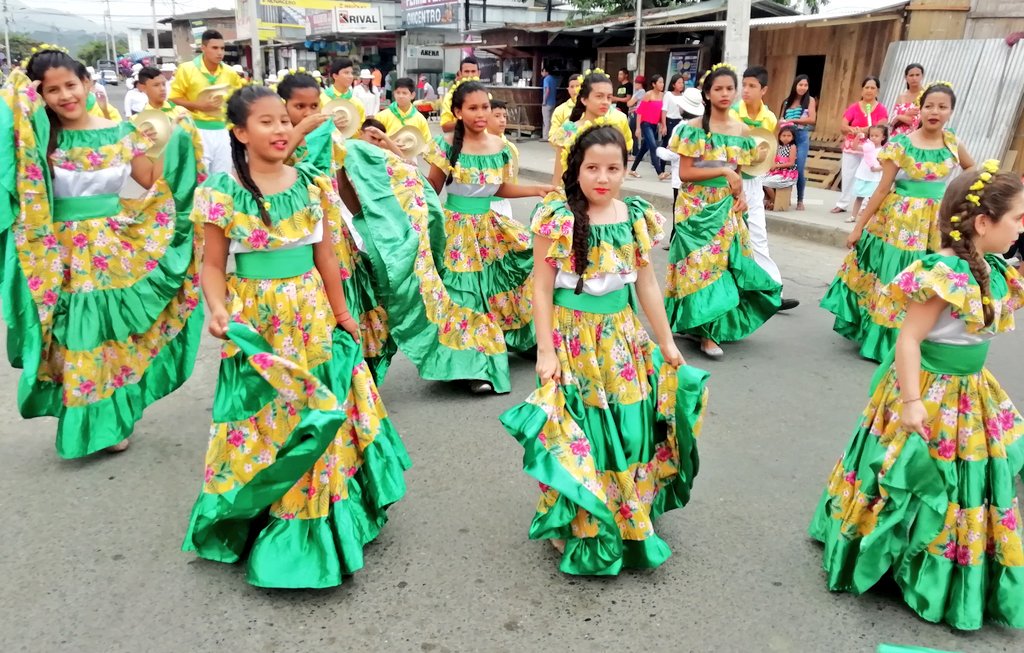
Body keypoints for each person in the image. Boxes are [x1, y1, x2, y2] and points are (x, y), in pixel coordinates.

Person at [182, 85, 410, 589]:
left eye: (284, 120)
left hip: (311, 323)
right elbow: (213, 265)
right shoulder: (220, 192)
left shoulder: (312, 186)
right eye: (266, 122)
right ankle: (255, 510)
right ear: (240, 133)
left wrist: (344, 314)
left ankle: (313, 524)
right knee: (262, 423)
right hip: (257, 327)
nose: (281, 129)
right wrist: (218, 309)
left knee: (316, 418)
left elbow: (326, 258)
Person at [809, 165, 1024, 631]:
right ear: (984, 222)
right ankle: (892, 555)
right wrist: (910, 402)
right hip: (927, 390)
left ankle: (937, 562)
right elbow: (908, 341)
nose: (1022, 227)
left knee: (961, 479)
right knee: (912, 473)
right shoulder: (943, 273)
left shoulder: (994, 268)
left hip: (971, 392)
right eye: (1018, 218)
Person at [499, 122, 709, 575]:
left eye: (613, 168)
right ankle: (575, 520)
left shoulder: (635, 215)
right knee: (579, 432)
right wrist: (545, 351)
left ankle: (627, 509)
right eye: (593, 167)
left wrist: (667, 343)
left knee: (631, 427)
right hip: (572, 339)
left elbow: (648, 282)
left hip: (622, 339)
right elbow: (540, 288)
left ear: (624, 171)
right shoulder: (557, 215)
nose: (603, 177)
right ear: (577, 169)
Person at [0, 49, 203, 458]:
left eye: (70, 85)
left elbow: (143, 185)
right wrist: (21, 99)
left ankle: (111, 419)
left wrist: (164, 140)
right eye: (51, 90)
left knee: (113, 339)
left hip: (116, 251)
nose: (64, 96)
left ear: (88, 84)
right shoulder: (36, 144)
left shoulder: (122, 133)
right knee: (78, 337)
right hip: (62, 256)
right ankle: (91, 422)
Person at [821, 82, 975, 362]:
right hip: (898, 223)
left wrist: (960, 203)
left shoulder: (953, 143)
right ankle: (887, 341)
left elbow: (971, 171)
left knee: (929, 278)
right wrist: (858, 227)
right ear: (920, 108)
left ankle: (920, 337)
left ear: (951, 111)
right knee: (897, 278)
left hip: (935, 224)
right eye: (929, 105)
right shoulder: (901, 144)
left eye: (942, 107)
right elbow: (882, 188)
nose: (935, 112)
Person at [425, 79, 554, 394]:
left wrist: (536, 189)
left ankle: (517, 339)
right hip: (456, 229)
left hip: (491, 227)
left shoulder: (503, 148)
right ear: (458, 111)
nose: (481, 113)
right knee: (466, 296)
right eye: (473, 108)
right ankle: (474, 365)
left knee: (523, 272)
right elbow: (431, 191)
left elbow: (499, 188)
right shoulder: (444, 145)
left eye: (485, 106)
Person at [277, 72, 396, 380]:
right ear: (283, 106)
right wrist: (299, 131)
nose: (307, 113)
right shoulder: (277, 138)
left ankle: (351, 367)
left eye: (313, 105)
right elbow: (269, 168)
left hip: (333, 230)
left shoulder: (329, 135)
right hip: (296, 234)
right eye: (299, 106)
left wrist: (363, 220)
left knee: (350, 292)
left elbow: (341, 180)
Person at [664, 63, 782, 359]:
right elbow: (687, 172)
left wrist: (740, 196)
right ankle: (699, 326)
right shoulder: (692, 129)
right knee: (698, 267)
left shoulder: (743, 131)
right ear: (707, 93)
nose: (726, 93)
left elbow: (739, 174)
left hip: (726, 207)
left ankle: (710, 331)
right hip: (695, 207)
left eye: (731, 88)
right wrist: (724, 172)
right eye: (719, 88)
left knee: (719, 268)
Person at [730, 65, 799, 310]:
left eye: (752, 86)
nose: (746, 91)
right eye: (744, 85)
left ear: (764, 90)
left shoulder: (769, 118)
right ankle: (729, 294)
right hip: (730, 179)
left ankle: (773, 290)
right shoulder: (732, 112)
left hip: (754, 179)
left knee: (758, 235)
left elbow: (766, 149)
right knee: (728, 239)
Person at [135, 66, 206, 220]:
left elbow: (196, 143)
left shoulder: (181, 112)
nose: (162, 89)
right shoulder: (138, 121)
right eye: (155, 85)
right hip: (161, 179)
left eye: (163, 84)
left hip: (186, 176)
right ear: (142, 87)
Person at [169, 29, 244, 175]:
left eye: (222, 48)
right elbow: (174, 98)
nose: (220, 52)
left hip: (222, 130)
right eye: (214, 48)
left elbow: (238, 98)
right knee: (200, 177)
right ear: (203, 48)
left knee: (223, 177)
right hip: (197, 129)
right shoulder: (186, 69)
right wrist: (199, 106)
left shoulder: (230, 72)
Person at [548, 70, 633, 186]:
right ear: (584, 99)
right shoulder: (568, 130)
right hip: (572, 197)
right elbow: (558, 175)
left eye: (609, 97)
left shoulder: (614, 130)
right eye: (599, 96)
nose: (605, 102)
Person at [656, 86, 704, 249]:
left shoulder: (682, 128)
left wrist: (659, 150)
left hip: (681, 176)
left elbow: (674, 153)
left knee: (680, 211)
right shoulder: (702, 126)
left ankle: (677, 243)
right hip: (697, 175)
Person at [833, 76, 888, 214]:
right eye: (866, 87)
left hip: (871, 148)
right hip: (853, 145)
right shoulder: (853, 107)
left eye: (872, 88)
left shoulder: (881, 109)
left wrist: (862, 129)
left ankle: (865, 206)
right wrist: (852, 129)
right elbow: (843, 125)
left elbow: (881, 127)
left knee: (869, 175)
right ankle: (843, 203)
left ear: (877, 91)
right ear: (862, 90)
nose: (869, 90)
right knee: (848, 175)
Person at [779, 75, 817, 211]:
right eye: (800, 85)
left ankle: (800, 199)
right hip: (787, 137)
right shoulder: (786, 102)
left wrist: (794, 121)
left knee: (799, 168)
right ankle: (784, 197)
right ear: (795, 85)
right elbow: (781, 119)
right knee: (784, 167)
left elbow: (812, 119)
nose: (803, 88)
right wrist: (783, 123)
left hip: (801, 137)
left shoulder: (810, 100)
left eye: (805, 85)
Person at [629, 74, 666, 179]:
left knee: (643, 149)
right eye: (659, 82)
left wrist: (662, 125)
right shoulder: (648, 95)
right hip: (646, 124)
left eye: (662, 82)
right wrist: (638, 128)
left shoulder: (663, 95)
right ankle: (660, 173)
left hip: (654, 125)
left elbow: (662, 112)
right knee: (653, 146)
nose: (662, 84)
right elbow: (640, 112)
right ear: (654, 84)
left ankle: (632, 170)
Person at [487, 99, 519, 219]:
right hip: (482, 204)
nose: (502, 120)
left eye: (505, 116)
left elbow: (512, 180)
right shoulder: (477, 146)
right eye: (497, 116)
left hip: (502, 203)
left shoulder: (510, 148)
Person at [849, 124, 889, 221]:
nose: (873, 138)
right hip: (863, 174)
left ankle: (871, 218)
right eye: (871, 136)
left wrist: (877, 168)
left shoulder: (884, 150)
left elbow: (885, 165)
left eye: (876, 136)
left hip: (875, 177)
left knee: (872, 198)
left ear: (883, 137)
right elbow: (854, 147)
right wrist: (857, 137)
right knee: (859, 197)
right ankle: (853, 216)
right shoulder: (867, 147)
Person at [375, 76, 430, 144]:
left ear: (412, 95)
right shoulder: (381, 117)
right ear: (394, 94)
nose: (401, 96)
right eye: (398, 93)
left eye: (404, 93)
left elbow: (427, 143)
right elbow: (374, 141)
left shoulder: (419, 119)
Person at [321, 57, 365, 128]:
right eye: (346, 73)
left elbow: (360, 130)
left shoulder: (357, 103)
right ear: (335, 76)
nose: (350, 76)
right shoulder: (322, 99)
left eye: (351, 73)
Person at [762, 124, 799, 207]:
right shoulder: (779, 147)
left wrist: (777, 166)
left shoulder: (792, 147)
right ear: (779, 137)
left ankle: (774, 201)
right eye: (784, 135)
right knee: (760, 178)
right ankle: (767, 200)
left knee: (766, 183)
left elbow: (791, 163)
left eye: (789, 136)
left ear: (793, 137)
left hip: (787, 173)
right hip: (777, 171)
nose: (786, 138)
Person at [440, 56, 479, 133]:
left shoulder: (487, 96)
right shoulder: (450, 97)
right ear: (460, 74)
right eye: (466, 72)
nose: (470, 75)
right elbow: (445, 126)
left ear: (479, 73)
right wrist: (465, 122)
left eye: (473, 71)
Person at [890, 63, 924, 137]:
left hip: (916, 137)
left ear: (922, 76)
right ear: (906, 77)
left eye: (917, 75)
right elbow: (893, 122)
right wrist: (905, 115)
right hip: (897, 137)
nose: (914, 78)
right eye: (911, 75)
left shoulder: (926, 95)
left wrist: (900, 117)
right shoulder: (901, 96)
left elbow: (918, 121)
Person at [549, 73, 581, 137]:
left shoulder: (592, 107)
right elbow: (552, 136)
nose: (575, 90)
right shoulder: (560, 110)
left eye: (577, 86)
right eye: (572, 87)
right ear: (568, 89)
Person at [661, 73, 686, 147]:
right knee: (667, 144)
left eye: (682, 83)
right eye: (679, 83)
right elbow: (664, 110)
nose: (681, 85)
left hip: (680, 122)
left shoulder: (684, 96)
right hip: (670, 122)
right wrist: (664, 125)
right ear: (673, 84)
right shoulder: (668, 95)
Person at [626, 74, 646, 157]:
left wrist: (631, 103)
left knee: (633, 133)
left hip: (636, 114)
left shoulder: (641, 91)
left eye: (637, 83)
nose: (635, 85)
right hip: (633, 113)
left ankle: (635, 153)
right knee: (632, 132)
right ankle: (633, 152)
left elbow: (629, 103)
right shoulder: (638, 92)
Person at [541, 65, 558, 140]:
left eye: (542, 71)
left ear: (545, 71)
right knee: (551, 120)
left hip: (547, 103)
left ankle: (545, 136)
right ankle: (551, 135)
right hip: (553, 102)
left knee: (546, 120)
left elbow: (547, 90)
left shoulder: (546, 79)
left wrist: (544, 101)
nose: (541, 73)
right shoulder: (553, 79)